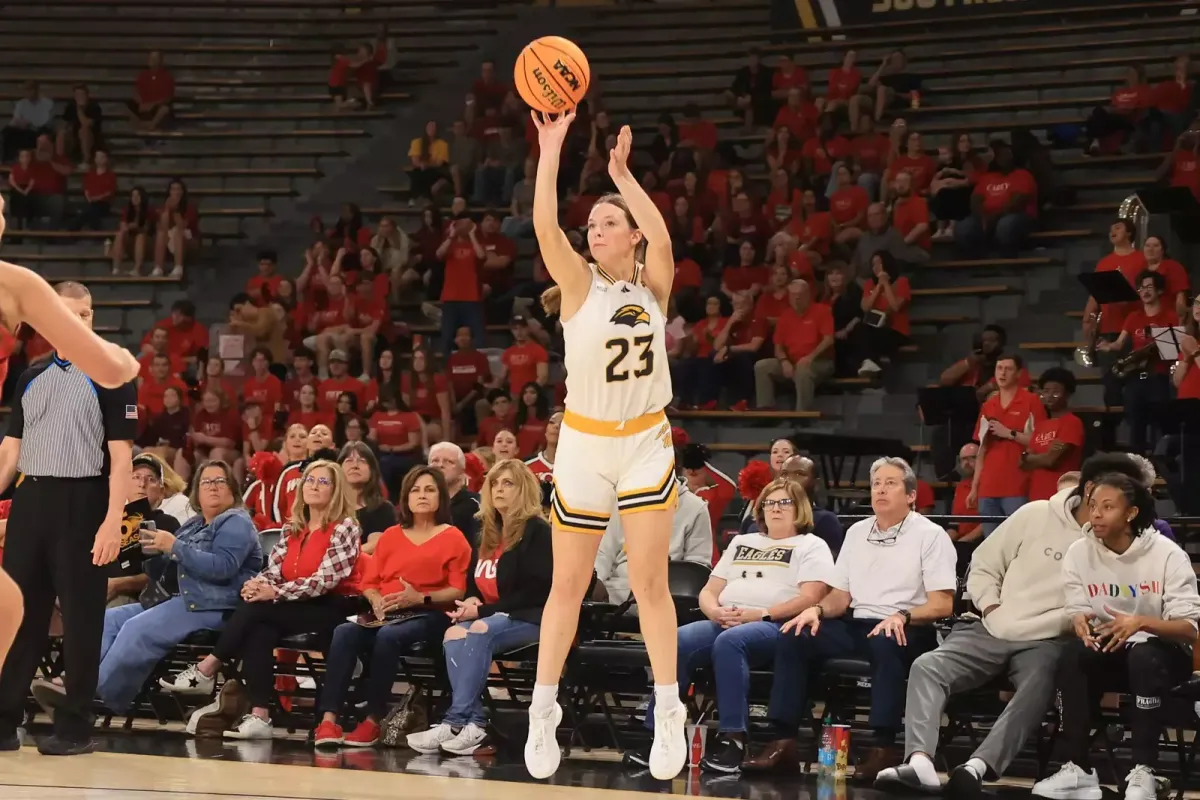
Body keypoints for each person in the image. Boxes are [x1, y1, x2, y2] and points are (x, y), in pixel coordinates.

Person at [524, 111, 685, 780]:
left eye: (607, 220)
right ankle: (543, 709)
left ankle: (669, 708)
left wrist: (623, 175)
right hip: (586, 445)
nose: (594, 227)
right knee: (568, 583)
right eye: (590, 222)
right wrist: (553, 147)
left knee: (650, 582)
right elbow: (542, 225)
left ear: (633, 235)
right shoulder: (580, 285)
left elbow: (665, 234)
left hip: (646, 440)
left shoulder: (654, 286)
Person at [876, 453, 1101, 799]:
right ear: (1089, 490)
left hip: (1047, 640)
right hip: (993, 625)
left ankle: (977, 767)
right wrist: (991, 604)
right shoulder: (1035, 514)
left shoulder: (1113, 540)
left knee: (1039, 681)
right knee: (928, 665)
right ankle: (920, 761)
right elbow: (983, 563)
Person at [745, 458, 956, 779]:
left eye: (890, 483)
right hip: (856, 622)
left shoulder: (931, 535)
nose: (881, 489)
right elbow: (840, 597)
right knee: (795, 634)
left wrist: (903, 616)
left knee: (888, 641)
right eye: (876, 484)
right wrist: (815, 610)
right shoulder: (857, 532)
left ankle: (882, 748)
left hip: (909, 626)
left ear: (911, 495)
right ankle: (783, 742)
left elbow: (942, 604)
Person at [0, 280, 139, 756]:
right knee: (17, 616)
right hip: (30, 502)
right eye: (71, 315)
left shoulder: (111, 376)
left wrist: (112, 522)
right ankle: (3, 721)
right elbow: (10, 451)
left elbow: (123, 459)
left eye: (88, 315)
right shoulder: (30, 377)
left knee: (82, 622)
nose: (82, 324)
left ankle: (75, 727)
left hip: (85, 502)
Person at [629, 478, 833, 774]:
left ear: (799, 508)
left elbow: (810, 597)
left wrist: (760, 614)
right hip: (725, 619)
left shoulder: (812, 545)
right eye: (769, 503)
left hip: (777, 625)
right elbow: (708, 591)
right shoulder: (742, 542)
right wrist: (714, 612)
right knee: (675, 640)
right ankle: (659, 734)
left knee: (731, 642)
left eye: (784, 503)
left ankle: (733, 738)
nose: (775, 508)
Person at [160, 461, 363, 740]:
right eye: (309, 480)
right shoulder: (293, 527)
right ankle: (260, 716)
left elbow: (325, 581)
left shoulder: (345, 527)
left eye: (323, 482)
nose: (314, 486)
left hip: (335, 605)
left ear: (336, 489)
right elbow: (273, 570)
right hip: (297, 604)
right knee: (258, 628)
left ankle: (208, 667)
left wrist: (274, 593)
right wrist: (256, 584)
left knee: (256, 612)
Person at [1032, 472, 1200, 800]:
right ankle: (1078, 769)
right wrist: (1079, 618)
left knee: (1144, 657)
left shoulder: (1166, 554)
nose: (1095, 513)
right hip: (1112, 648)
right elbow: (1078, 605)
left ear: (1131, 513)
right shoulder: (1079, 552)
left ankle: (1144, 771)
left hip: (1165, 652)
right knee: (1071, 656)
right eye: (1093, 505)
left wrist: (1141, 623)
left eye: (1107, 507)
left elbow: (1188, 627)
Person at [80, 462, 261, 719]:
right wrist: (150, 555)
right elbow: (163, 574)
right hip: (176, 599)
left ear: (233, 490)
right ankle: (78, 684)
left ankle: (97, 699)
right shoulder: (193, 525)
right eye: (206, 482)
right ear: (196, 491)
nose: (213, 487)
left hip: (213, 604)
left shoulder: (235, 522)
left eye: (220, 481)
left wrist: (174, 546)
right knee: (107, 620)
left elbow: (223, 567)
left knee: (136, 628)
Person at [313, 467, 470, 748]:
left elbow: (457, 590)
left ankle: (373, 720)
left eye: (429, 490)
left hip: (430, 614)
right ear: (406, 498)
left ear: (441, 497)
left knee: (389, 636)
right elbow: (369, 582)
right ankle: (328, 720)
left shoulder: (453, 537)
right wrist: (374, 599)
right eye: (415, 490)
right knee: (344, 632)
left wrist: (419, 597)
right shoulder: (390, 536)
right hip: (386, 613)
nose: (422, 496)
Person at [407, 460, 552, 757]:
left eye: (508, 483)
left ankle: (455, 720)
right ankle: (473, 723)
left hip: (532, 616)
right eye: (495, 484)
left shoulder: (537, 531)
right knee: (453, 635)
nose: (499, 489)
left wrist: (483, 612)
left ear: (523, 489)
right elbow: (475, 580)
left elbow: (538, 590)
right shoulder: (487, 530)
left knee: (479, 629)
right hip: (491, 616)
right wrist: (472, 600)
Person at [596, 473, 712, 605]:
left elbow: (696, 569)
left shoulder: (696, 508)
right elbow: (604, 552)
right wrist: (596, 580)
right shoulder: (621, 502)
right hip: (615, 593)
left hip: (667, 593)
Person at [969, 355, 1046, 535]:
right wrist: (974, 486)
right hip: (988, 486)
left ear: (1019, 373)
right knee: (991, 545)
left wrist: (1010, 433)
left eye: (1008, 369)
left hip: (1017, 484)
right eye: (999, 368)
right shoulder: (988, 405)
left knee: (1017, 541)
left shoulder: (1031, 401)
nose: (1002, 373)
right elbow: (982, 449)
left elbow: (1041, 442)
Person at [1021, 368, 1085, 502]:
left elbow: (1052, 461)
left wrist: (1033, 458)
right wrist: (1040, 457)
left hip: (1062, 497)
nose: (1049, 396)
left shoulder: (1072, 422)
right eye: (1046, 391)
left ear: (1067, 394)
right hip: (1036, 496)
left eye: (1055, 392)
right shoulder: (1041, 425)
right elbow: (1023, 463)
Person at [337, 442, 397, 551]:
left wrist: (340, 558)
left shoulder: (382, 509)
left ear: (372, 471)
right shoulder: (330, 508)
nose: (355, 466)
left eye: (362, 461)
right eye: (349, 461)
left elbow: (375, 545)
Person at [429, 442, 481, 546]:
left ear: (462, 471)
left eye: (448, 462)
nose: (440, 465)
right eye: (435, 461)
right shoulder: (419, 503)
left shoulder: (476, 505)